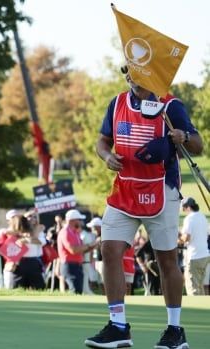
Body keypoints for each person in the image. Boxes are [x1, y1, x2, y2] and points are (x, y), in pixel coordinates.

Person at [85, 69, 203, 349]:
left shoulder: (171, 105)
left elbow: (198, 144)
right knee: (109, 250)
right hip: (124, 188)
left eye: (137, 71)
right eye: (128, 71)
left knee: (166, 261)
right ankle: (117, 327)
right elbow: (103, 141)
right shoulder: (116, 104)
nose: (131, 76)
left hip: (160, 189)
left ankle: (175, 330)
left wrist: (182, 136)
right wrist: (105, 156)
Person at [57, 210, 98, 294]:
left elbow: (81, 250)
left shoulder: (75, 232)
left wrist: (93, 246)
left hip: (76, 265)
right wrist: (90, 245)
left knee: (78, 291)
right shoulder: (65, 232)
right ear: (72, 220)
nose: (80, 222)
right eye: (78, 219)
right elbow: (73, 250)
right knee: (75, 291)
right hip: (69, 266)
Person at [179, 197, 210, 295]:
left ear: (188, 207)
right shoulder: (203, 217)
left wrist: (178, 240)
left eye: (184, 209)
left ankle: (196, 310)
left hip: (194, 256)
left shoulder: (189, 219)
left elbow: (186, 237)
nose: (184, 211)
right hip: (204, 255)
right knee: (200, 287)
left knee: (193, 288)